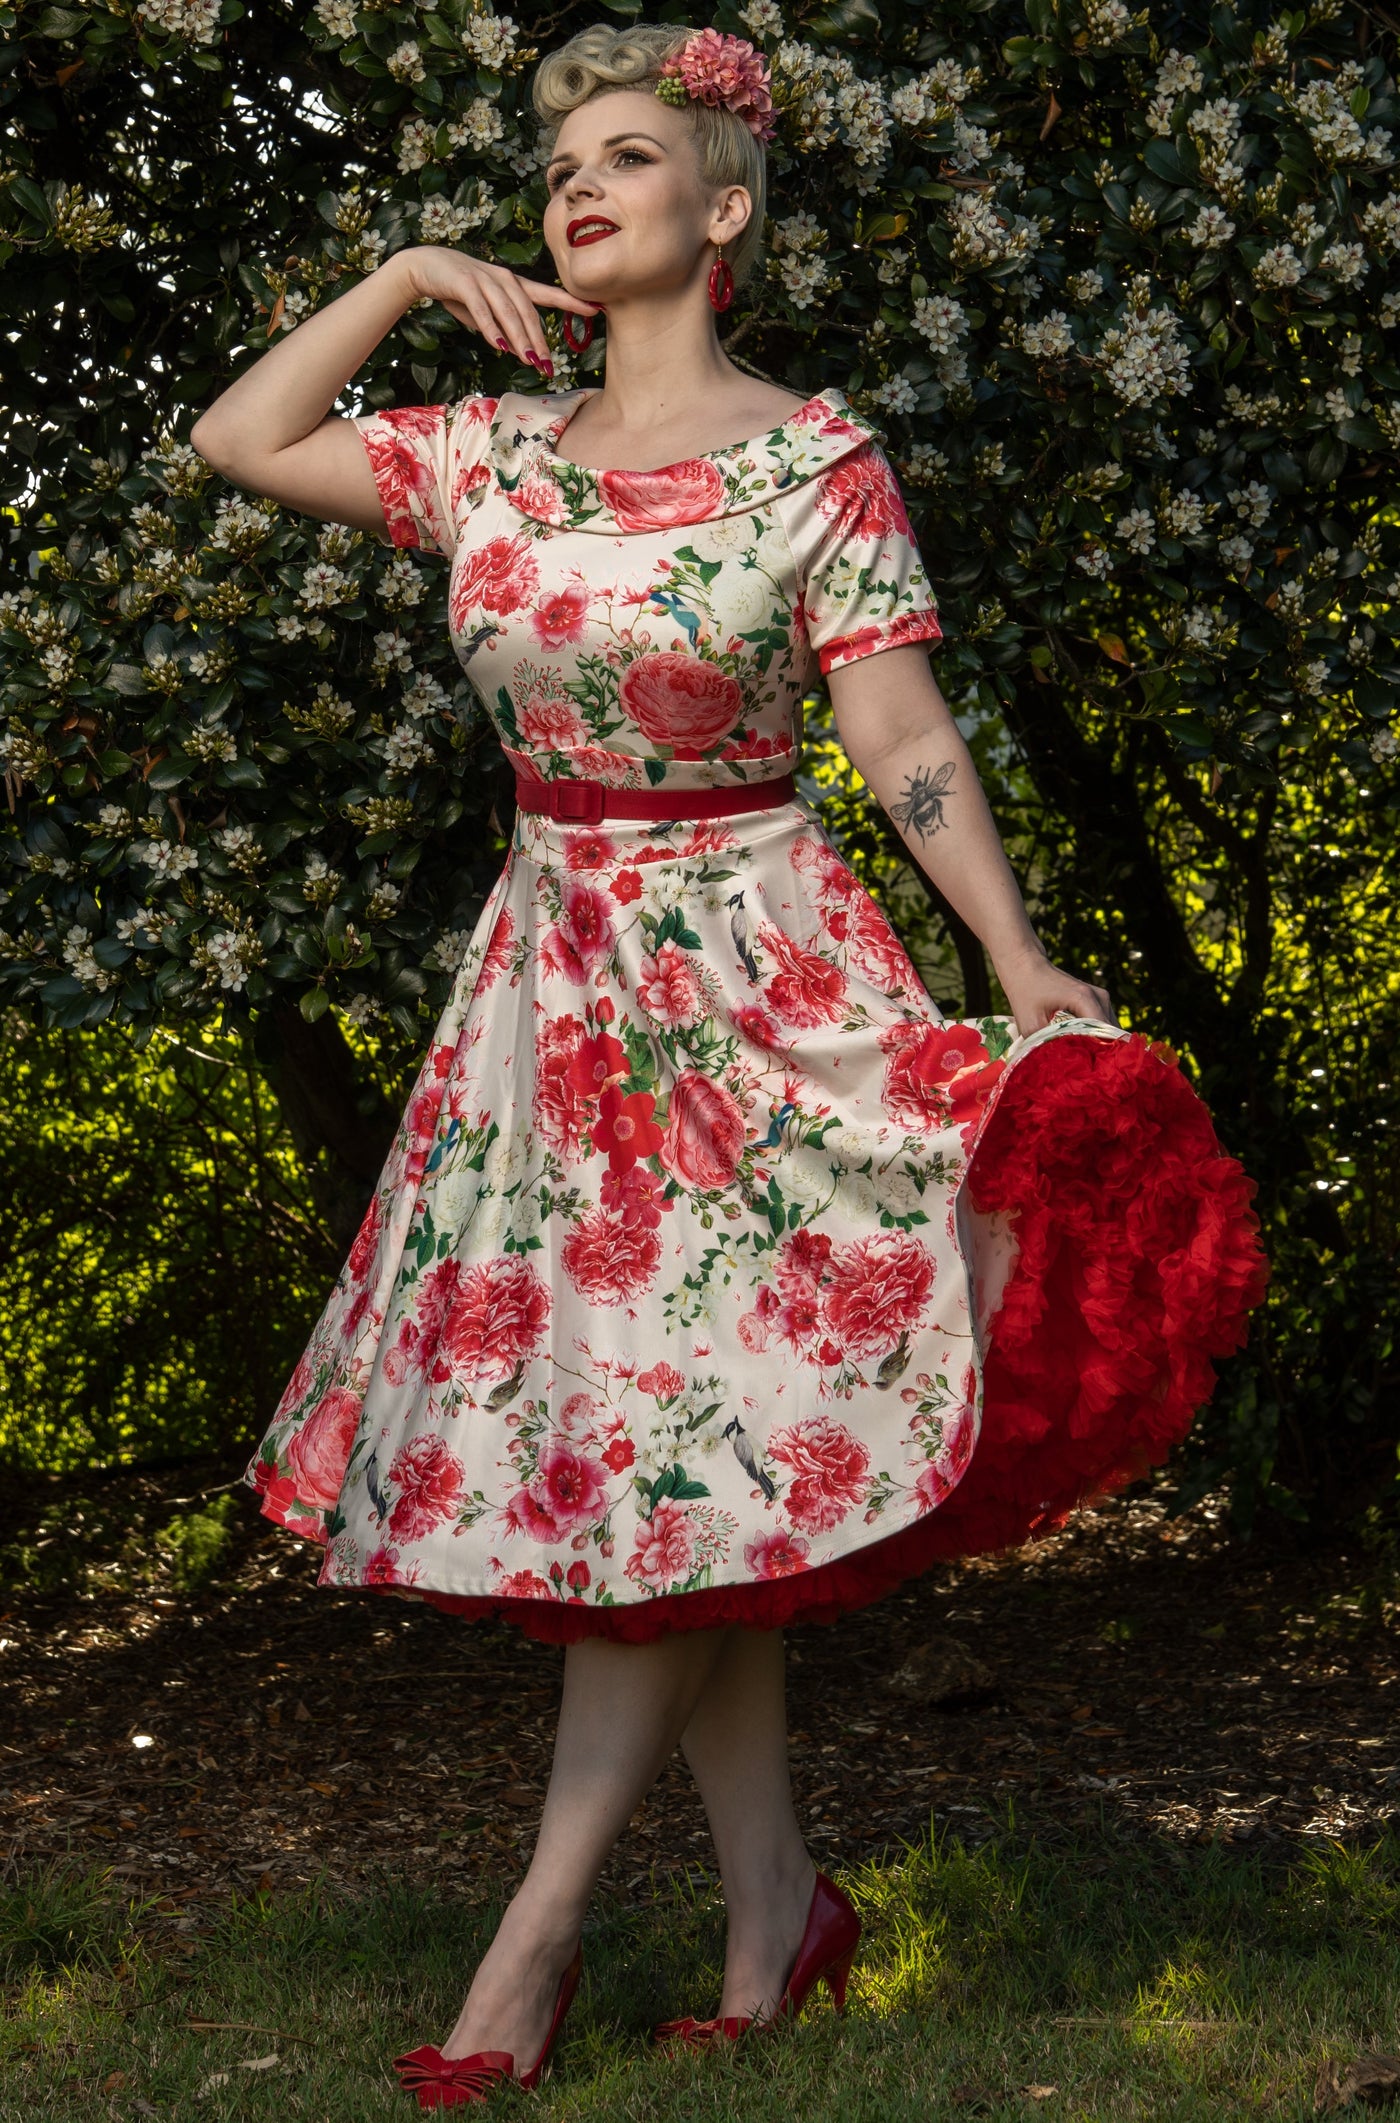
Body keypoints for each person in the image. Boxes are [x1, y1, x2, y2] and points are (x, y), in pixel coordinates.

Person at [189, 20, 1269, 2108]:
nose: (577, 192)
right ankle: (779, 1906)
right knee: (682, 1473)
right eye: (554, 168)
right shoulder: (487, 453)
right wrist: (414, 275)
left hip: (762, 982)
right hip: (550, 998)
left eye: (625, 159)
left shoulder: (812, 463)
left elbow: (901, 739)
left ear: (726, 207)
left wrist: (1017, 956)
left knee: (691, 1460)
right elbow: (241, 440)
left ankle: (537, 1937)